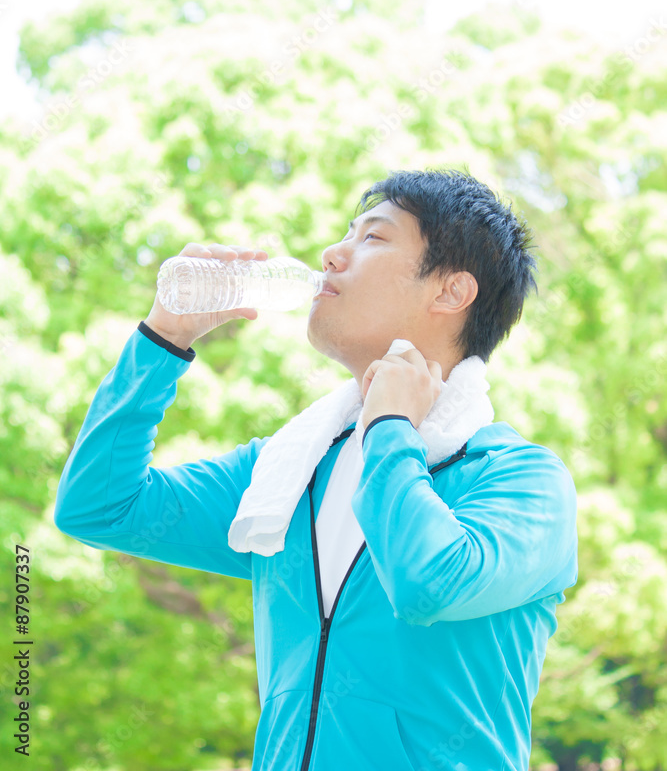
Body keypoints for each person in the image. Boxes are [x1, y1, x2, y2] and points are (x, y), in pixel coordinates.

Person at [54, 166, 578, 771]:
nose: (332, 253)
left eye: (373, 237)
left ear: (451, 292)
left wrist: (389, 427)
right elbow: (100, 507)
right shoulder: (287, 474)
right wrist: (164, 337)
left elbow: (428, 582)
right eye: (346, 233)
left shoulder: (523, 481)